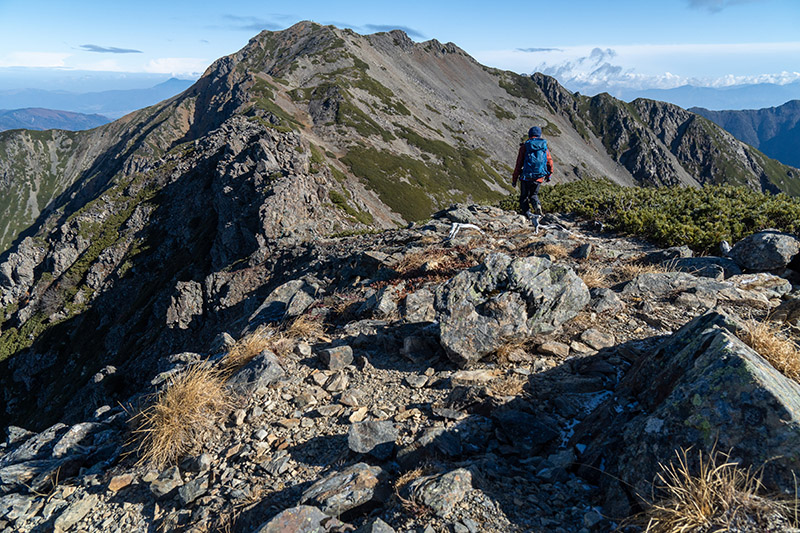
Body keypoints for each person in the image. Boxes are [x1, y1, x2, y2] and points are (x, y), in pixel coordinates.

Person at [511, 126, 553, 228]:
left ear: (529, 134)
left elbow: (518, 164)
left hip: (526, 177)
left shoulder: (525, 147)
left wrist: (514, 179)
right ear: (539, 135)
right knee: (534, 195)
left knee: (524, 197)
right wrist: (549, 174)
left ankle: (527, 215)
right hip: (538, 177)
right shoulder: (543, 147)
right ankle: (537, 206)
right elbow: (549, 161)